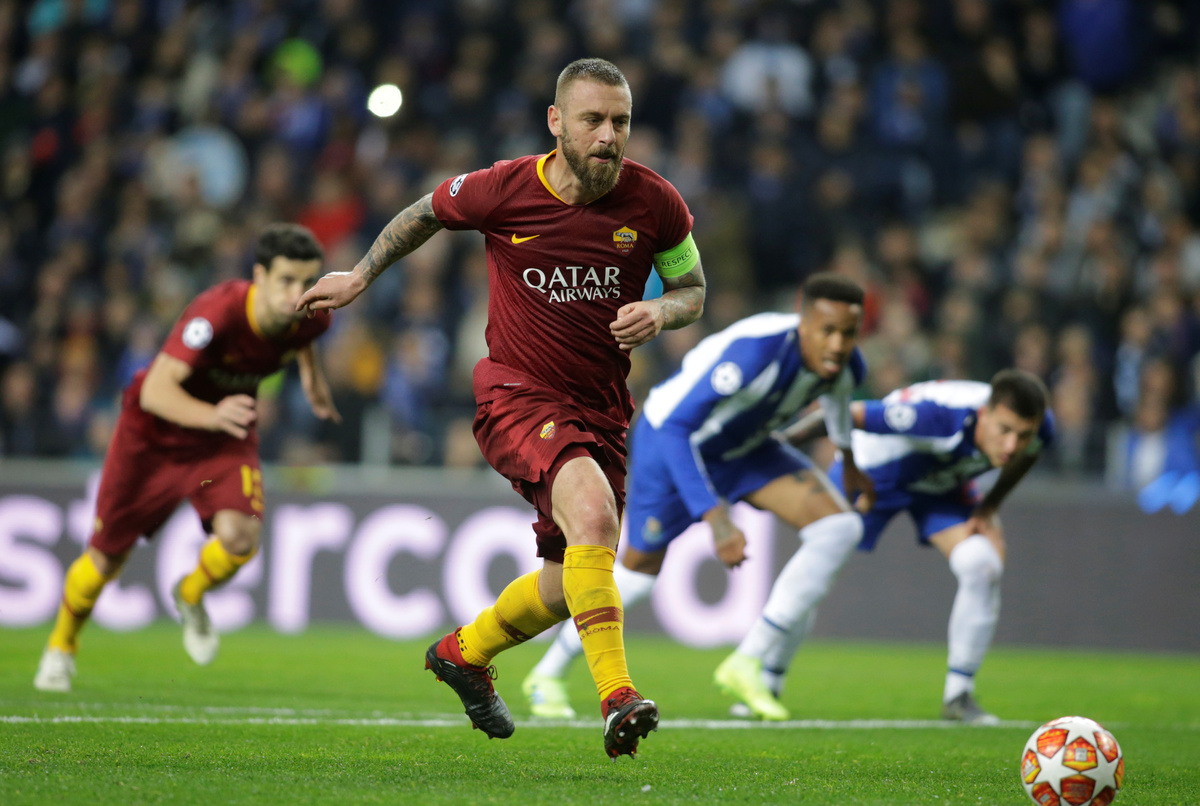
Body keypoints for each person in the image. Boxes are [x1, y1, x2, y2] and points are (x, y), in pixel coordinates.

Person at [294, 58, 707, 759]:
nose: (608, 136)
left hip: (602, 409)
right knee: (595, 517)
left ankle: (463, 653)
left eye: (620, 122)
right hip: (517, 393)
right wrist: (360, 276)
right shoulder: (504, 188)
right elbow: (425, 212)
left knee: (568, 579)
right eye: (593, 120)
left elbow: (693, 290)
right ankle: (617, 696)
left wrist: (662, 312)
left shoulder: (656, 202)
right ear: (556, 122)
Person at [522, 272, 875, 721]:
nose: (838, 345)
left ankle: (754, 665)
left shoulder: (847, 365)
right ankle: (547, 673)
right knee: (638, 575)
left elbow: (839, 401)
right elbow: (676, 427)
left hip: (745, 448)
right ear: (803, 323)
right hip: (670, 444)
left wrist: (849, 461)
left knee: (839, 528)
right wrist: (717, 519)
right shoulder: (755, 352)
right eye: (828, 331)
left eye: (848, 333)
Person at [34, 223, 339, 693]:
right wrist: (212, 414)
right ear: (259, 275)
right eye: (285, 281)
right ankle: (61, 646)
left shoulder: (314, 315)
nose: (297, 294)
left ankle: (190, 594)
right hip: (152, 437)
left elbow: (301, 337)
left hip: (222, 438)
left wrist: (313, 380)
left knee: (241, 538)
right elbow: (155, 391)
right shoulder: (216, 314)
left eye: (307, 281)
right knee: (105, 562)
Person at [719, 369, 1055, 724]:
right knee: (821, 564)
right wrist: (778, 444)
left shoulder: (1040, 426)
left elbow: (1029, 453)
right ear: (985, 414)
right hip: (875, 472)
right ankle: (769, 680)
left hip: (943, 482)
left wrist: (989, 507)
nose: (1012, 446)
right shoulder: (938, 417)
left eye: (1023, 435)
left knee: (982, 564)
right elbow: (848, 413)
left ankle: (959, 696)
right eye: (1005, 431)